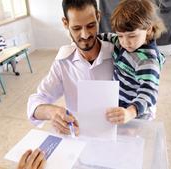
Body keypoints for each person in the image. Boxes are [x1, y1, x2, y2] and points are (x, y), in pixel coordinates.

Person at [27, 0, 114, 135]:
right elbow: (36, 101)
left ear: (98, 16)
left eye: (91, 25)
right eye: (77, 28)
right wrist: (53, 112)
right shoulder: (63, 62)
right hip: (80, 138)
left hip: (116, 136)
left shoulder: (118, 54)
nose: (85, 35)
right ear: (65, 23)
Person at [99, 0, 166, 124]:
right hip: (122, 104)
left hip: (138, 113)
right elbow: (107, 37)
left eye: (132, 36)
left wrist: (131, 112)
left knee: (134, 140)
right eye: (120, 35)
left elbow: (149, 92)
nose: (125, 42)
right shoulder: (121, 41)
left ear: (149, 29)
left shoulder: (148, 61)